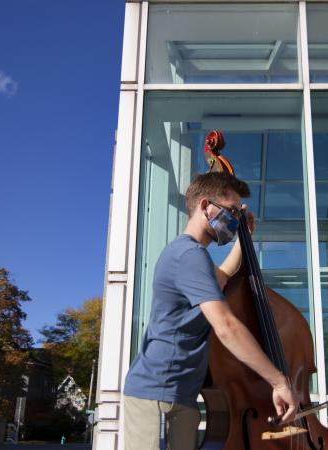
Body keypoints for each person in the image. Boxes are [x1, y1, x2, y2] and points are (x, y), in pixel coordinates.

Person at [123, 172, 300, 450]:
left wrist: (244, 239)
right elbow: (227, 327)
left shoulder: (193, 257)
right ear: (206, 205)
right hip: (157, 397)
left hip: (179, 397)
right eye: (231, 211)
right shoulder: (188, 255)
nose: (234, 220)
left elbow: (222, 277)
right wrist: (279, 382)